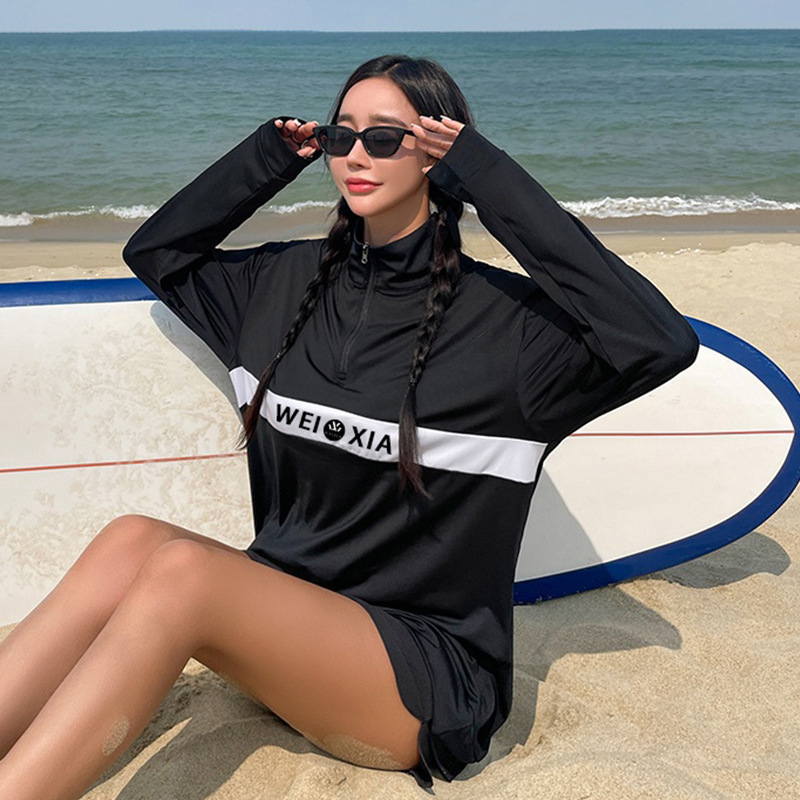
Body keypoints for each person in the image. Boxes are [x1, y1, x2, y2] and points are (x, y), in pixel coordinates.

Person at [0, 54, 699, 798]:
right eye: (341, 136)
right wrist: (266, 158)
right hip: (284, 625)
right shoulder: (278, 285)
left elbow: (660, 342)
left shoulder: (513, 335)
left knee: (181, 573)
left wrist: (486, 174)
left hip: (419, 676)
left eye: (386, 138)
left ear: (438, 153)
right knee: (130, 541)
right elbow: (156, 253)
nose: (356, 155)